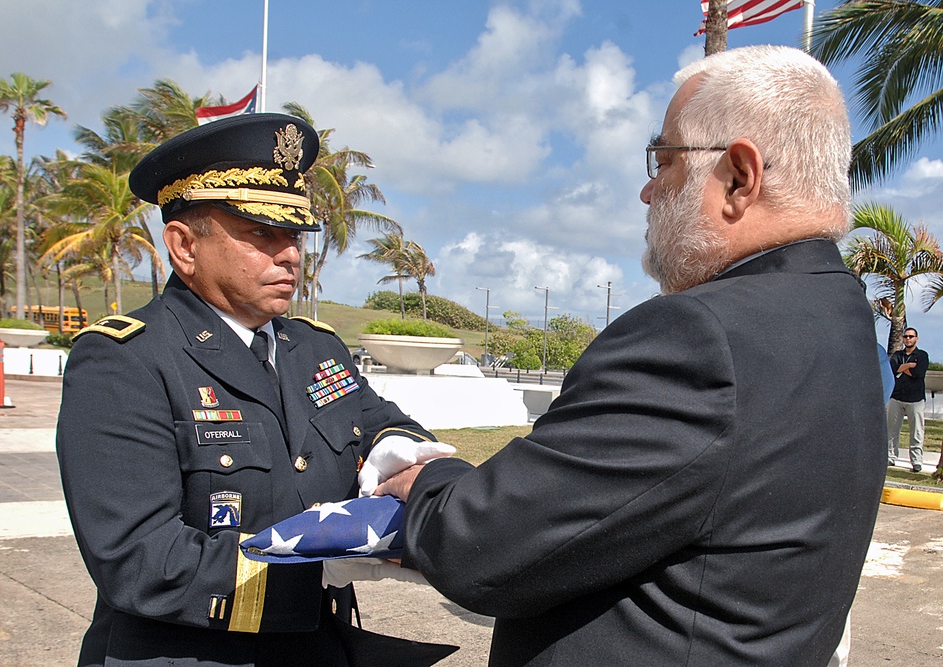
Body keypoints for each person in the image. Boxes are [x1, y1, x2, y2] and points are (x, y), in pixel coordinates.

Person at [378, 45, 887, 666]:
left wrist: (424, 481)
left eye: (665, 160)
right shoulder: (845, 317)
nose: (648, 191)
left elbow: (481, 547)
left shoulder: (700, 338)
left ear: (739, 177)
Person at [56, 113, 452, 667]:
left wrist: (408, 459)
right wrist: (315, 569)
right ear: (184, 246)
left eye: (292, 234)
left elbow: (383, 421)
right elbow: (138, 559)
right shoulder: (125, 360)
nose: (289, 254)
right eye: (261, 235)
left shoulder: (315, 348)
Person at [887, 327, 929, 471]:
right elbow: (892, 369)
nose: (908, 339)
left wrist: (902, 368)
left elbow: (918, 373)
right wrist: (909, 366)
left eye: (911, 336)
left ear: (916, 338)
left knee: (917, 431)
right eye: (906, 336)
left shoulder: (922, 355)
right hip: (897, 397)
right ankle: (890, 457)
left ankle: (916, 461)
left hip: (915, 399)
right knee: (892, 430)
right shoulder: (898, 355)